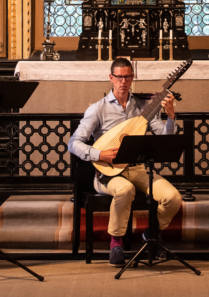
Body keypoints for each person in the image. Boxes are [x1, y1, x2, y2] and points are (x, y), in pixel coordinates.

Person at [68, 57, 182, 267]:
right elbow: (73, 143)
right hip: (106, 173)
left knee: (173, 197)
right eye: (119, 77)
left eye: (127, 76)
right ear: (111, 78)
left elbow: (164, 138)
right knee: (125, 190)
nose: (123, 81)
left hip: (137, 169)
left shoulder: (143, 107)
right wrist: (99, 155)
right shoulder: (98, 109)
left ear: (132, 77)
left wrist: (171, 116)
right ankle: (116, 244)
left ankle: (152, 233)